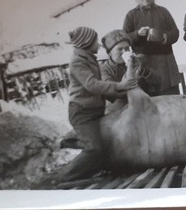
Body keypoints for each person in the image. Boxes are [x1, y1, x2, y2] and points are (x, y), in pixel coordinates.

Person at [59, 26, 138, 181]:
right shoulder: (78, 62)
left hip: (94, 110)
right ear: (87, 43)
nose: (98, 44)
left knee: (105, 144)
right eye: (95, 41)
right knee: (94, 148)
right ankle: (65, 177)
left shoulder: (87, 57)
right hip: (82, 112)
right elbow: (93, 85)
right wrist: (121, 86)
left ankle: (88, 171)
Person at [122, 0, 183, 95]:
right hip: (144, 64)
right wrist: (137, 34)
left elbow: (175, 32)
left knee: (171, 98)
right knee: (149, 101)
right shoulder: (131, 15)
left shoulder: (163, 12)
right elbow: (123, 39)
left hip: (166, 63)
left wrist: (166, 36)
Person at [100, 29, 162, 111]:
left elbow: (159, 81)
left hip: (142, 107)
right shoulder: (103, 69)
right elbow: (113, 92)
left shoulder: (137, 61)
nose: (124, 52)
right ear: (110, 52)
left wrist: (144, 71)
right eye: (120, 49)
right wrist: (130, 72)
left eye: (127, 48)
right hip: (117, 112)